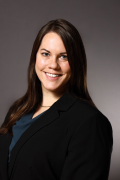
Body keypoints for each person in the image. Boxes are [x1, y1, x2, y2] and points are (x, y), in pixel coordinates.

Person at [0, 19, 113, 180]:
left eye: (64, 57)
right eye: (46, 54)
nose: (53, 65)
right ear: (35, 57)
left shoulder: (90, 122)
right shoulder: (17, 109)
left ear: (76, 63)